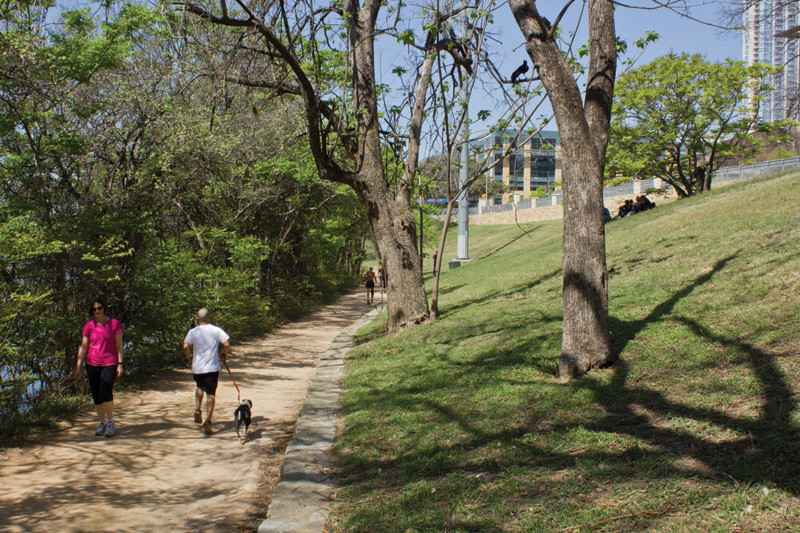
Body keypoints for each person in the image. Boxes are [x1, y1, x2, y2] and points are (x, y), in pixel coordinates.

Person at [74, 297, 124, 438]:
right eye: (95, 309)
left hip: (110, 362)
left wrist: (120, 364)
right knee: (96, 394)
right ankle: (101, 422)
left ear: (104, 308)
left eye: (100, 308)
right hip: (92, 363)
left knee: (105, 390)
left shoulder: (114, 324)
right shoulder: (89, 326)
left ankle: (110, 421)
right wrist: (78, 366)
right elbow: (83, 347)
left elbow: (119, 346)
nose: (97, 311)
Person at [183, 308, 230, 435]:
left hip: (198, 367)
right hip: (212, 367)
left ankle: (197, 409)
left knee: (199, 387)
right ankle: (208, 420)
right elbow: (226, 344)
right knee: (211, 394)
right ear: (209, 318)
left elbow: (185, 346)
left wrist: (189, 358)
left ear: (197, 319)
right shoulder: (216, 330)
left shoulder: (193, 331)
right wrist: (223, 353)